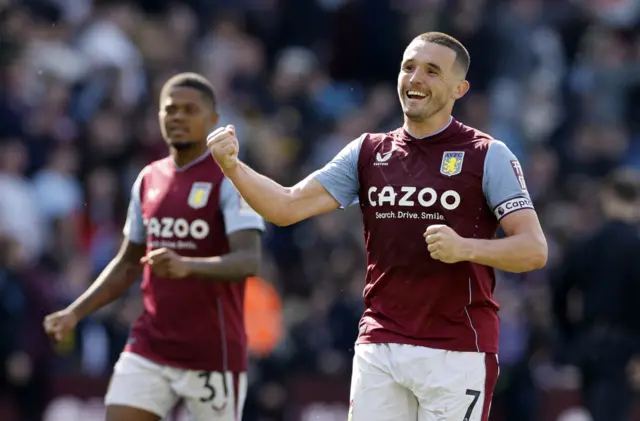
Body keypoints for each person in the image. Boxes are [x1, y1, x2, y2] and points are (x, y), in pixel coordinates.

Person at [207, 32, 547, 421]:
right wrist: (232, 167)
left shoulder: (487, 154)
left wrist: (466, 248)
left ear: (459, 88)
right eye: (409, 67)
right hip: (380, 343)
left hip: (458, 349)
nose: (416, 78)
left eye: (432, 71)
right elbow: (285, 207)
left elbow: (533, 250)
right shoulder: (368, 151)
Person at [43, 73, 265, 421]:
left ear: (212, 120)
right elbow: (128, 263)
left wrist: (189, 265)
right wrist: (75, 311)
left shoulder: (232, 178)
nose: (177, 116)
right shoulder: (148, 178)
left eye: (189, 109)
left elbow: (249, 260)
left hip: (212, 351)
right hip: (151, 344)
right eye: (169, 109)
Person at [552, 168, 640, 421]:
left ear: (607, 198)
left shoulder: (586, 244)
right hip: (626, 349)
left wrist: (569, 336)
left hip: (588, 344)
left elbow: (558, 290)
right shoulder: (635, 246)